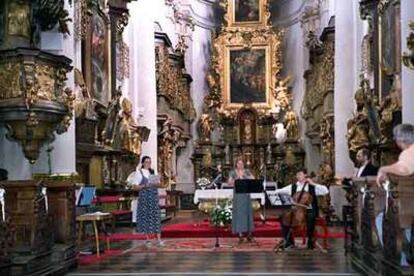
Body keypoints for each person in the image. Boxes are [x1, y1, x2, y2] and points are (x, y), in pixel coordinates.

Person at [376, 124, 414, 266]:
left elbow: (404, 169)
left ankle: (402, 260)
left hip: (408, 204)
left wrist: (384, 168)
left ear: (400, 139)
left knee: (382, 219)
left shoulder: (409, 152)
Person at [273, 168, 329, 249]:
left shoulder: (312, 187)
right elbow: (280, 191)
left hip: (310, 210)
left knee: (310, 217)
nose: (298, 176)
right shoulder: (293, 186)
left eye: (300, 174)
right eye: (297, 174)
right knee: (283, 218)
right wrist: (271, 192)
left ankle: (310, 240)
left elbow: (325, 191)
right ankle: (289, 241)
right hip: (297, 210)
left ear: (305, 175)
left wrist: (314, 183)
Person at [130, 156, 164, 247]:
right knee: (146, 217)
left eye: (150, 162)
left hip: (153, 197)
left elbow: (159, 184)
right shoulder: (139, 172)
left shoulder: (153, 172)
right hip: (145, 197)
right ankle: (148, 239)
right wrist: (145, 185)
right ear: (143, 163)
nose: (148, 164)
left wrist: (157, 183)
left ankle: (159, 238)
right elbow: (135, 187)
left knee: (156, 217)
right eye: (146, 162)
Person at [228, 159, 255, 243]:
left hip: (246, 194)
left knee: (247, 212)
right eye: (239, 163)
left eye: (242, 163)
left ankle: (249, 234)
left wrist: (245, 177)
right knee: (239, 213)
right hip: (238, 194)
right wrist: (235, 179)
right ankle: (240, 234)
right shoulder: (233, 172)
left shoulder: (247, 171)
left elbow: (253, 178)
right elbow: (229, 182)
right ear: (236, 164)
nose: (240, 165)